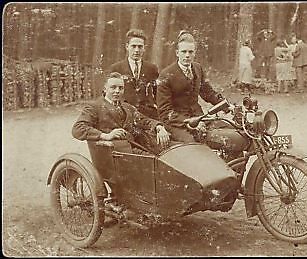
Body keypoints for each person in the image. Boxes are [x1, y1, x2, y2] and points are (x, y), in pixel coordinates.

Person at [72, 72, 171, 212]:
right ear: (105, 88)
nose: (117, 91)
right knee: (150, 164)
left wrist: (159, 127)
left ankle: (147, 201)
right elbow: (77, 129)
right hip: (109, 154)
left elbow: (143, 120)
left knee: (158, 162)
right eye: (113, 87)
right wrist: (105, 135)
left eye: (120, 88)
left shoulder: (127, 107)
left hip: (129, 150)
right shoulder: (94, 107)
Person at [156, 31, 226, 143]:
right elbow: (165, 111)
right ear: (177, 53)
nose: (187, 55)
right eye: (184, 52)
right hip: (177, 123)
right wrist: (190, 122)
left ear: (194, 53)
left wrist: (226, 105)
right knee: (192, 145)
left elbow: (208, 93)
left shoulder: (198, 68)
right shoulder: (166, 75)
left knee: (228, 131)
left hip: (199, 117)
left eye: (190, 52)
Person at [109, 29, 159, 119]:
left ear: (144, 48)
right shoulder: (116, 68)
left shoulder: (152, 69)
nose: (137, 50)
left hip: (147, 115)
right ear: (127, 47)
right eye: (133, 46)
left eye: (140, 47)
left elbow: (156, 94)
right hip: (124, 115)